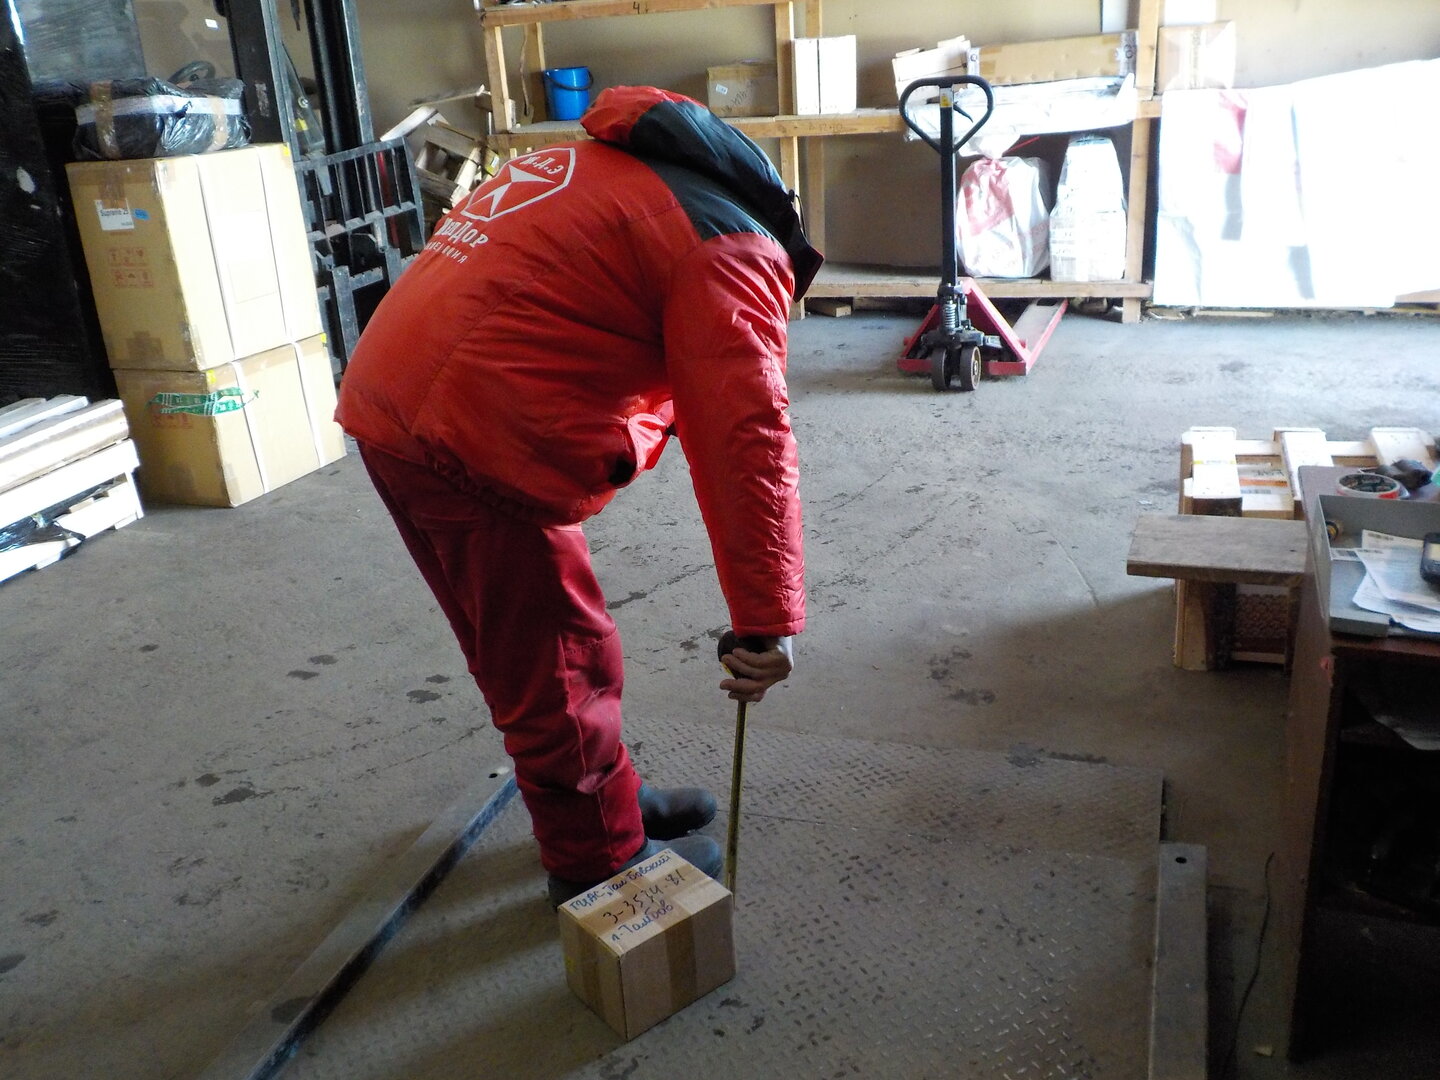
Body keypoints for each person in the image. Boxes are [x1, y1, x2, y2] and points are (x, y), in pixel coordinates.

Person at [335, 85, 820, 907]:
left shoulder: (592, 164)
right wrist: (767, 619)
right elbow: (747, 439)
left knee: (522, 652)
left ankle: (608, 802)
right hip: (475, 434)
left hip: (397, 400)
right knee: (561, 665)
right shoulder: (730, 249)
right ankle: (597, 859)